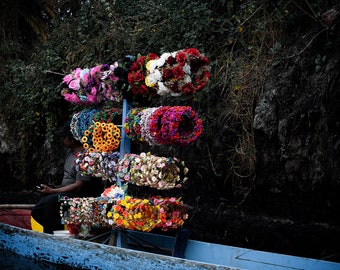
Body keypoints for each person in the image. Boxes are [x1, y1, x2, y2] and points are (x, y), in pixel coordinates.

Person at [31, 121, 103, 234]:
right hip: (63, 193)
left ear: (71, 140)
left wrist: (52, 191)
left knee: (51, 201)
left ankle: (51, 236)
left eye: (64, 137)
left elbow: (79, 185)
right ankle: (57, 230)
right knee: (37, 210)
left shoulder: (85, 156)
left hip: (77, 195)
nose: (62, 140)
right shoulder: (70, 152)